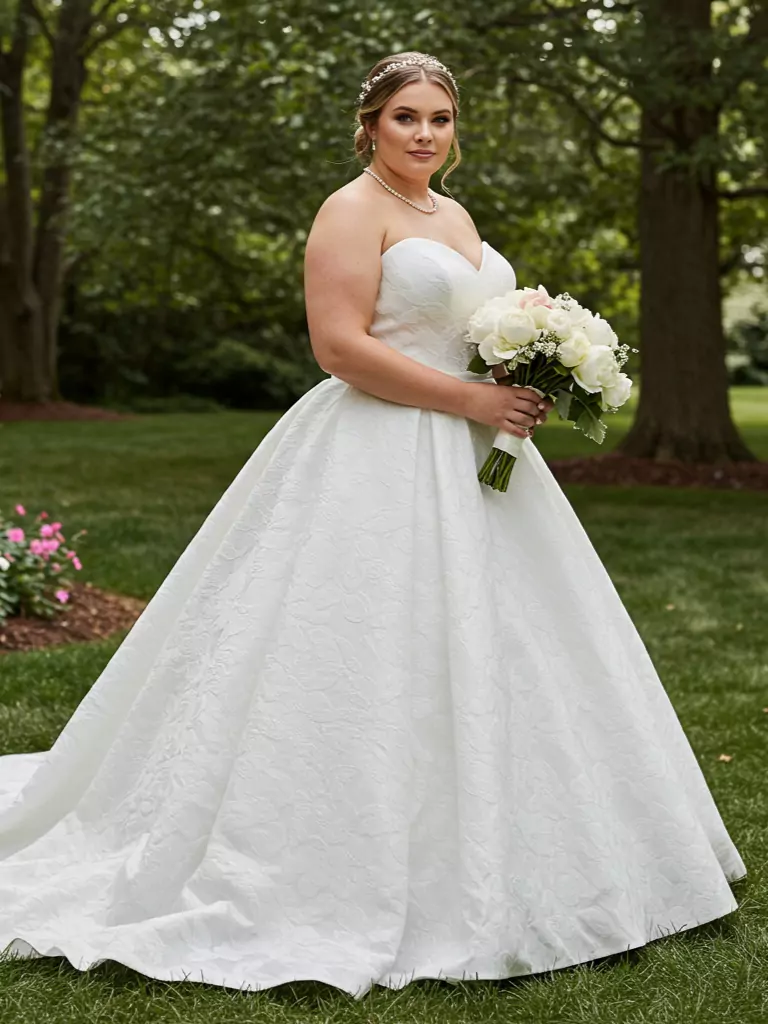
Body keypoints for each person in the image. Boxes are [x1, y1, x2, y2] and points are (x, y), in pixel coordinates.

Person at [0, 51, 746, 1001]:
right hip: (377, 453)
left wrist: (539, 368)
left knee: (514, 650)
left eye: (439, 117)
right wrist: (471, 401)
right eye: (406, 118)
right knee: (358, 652)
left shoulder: (455, 216)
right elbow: (340, 347)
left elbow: (474, 325)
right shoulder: (350, 210)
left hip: (480, 466)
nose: (424, 133)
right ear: (371, 125)